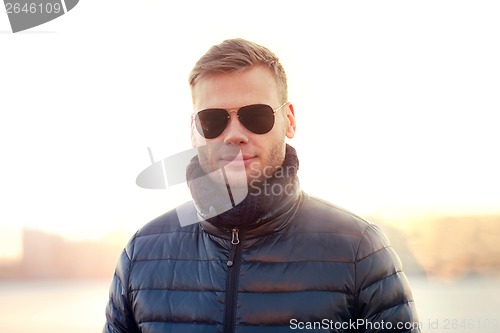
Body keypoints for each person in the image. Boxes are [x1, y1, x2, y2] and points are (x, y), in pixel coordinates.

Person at [103, 38, 420, 333]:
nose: (234, 134)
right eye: (213, 119)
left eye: (256, 116)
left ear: (290, 121)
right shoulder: (141, 254)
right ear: (193, 131)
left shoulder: (360, 250)